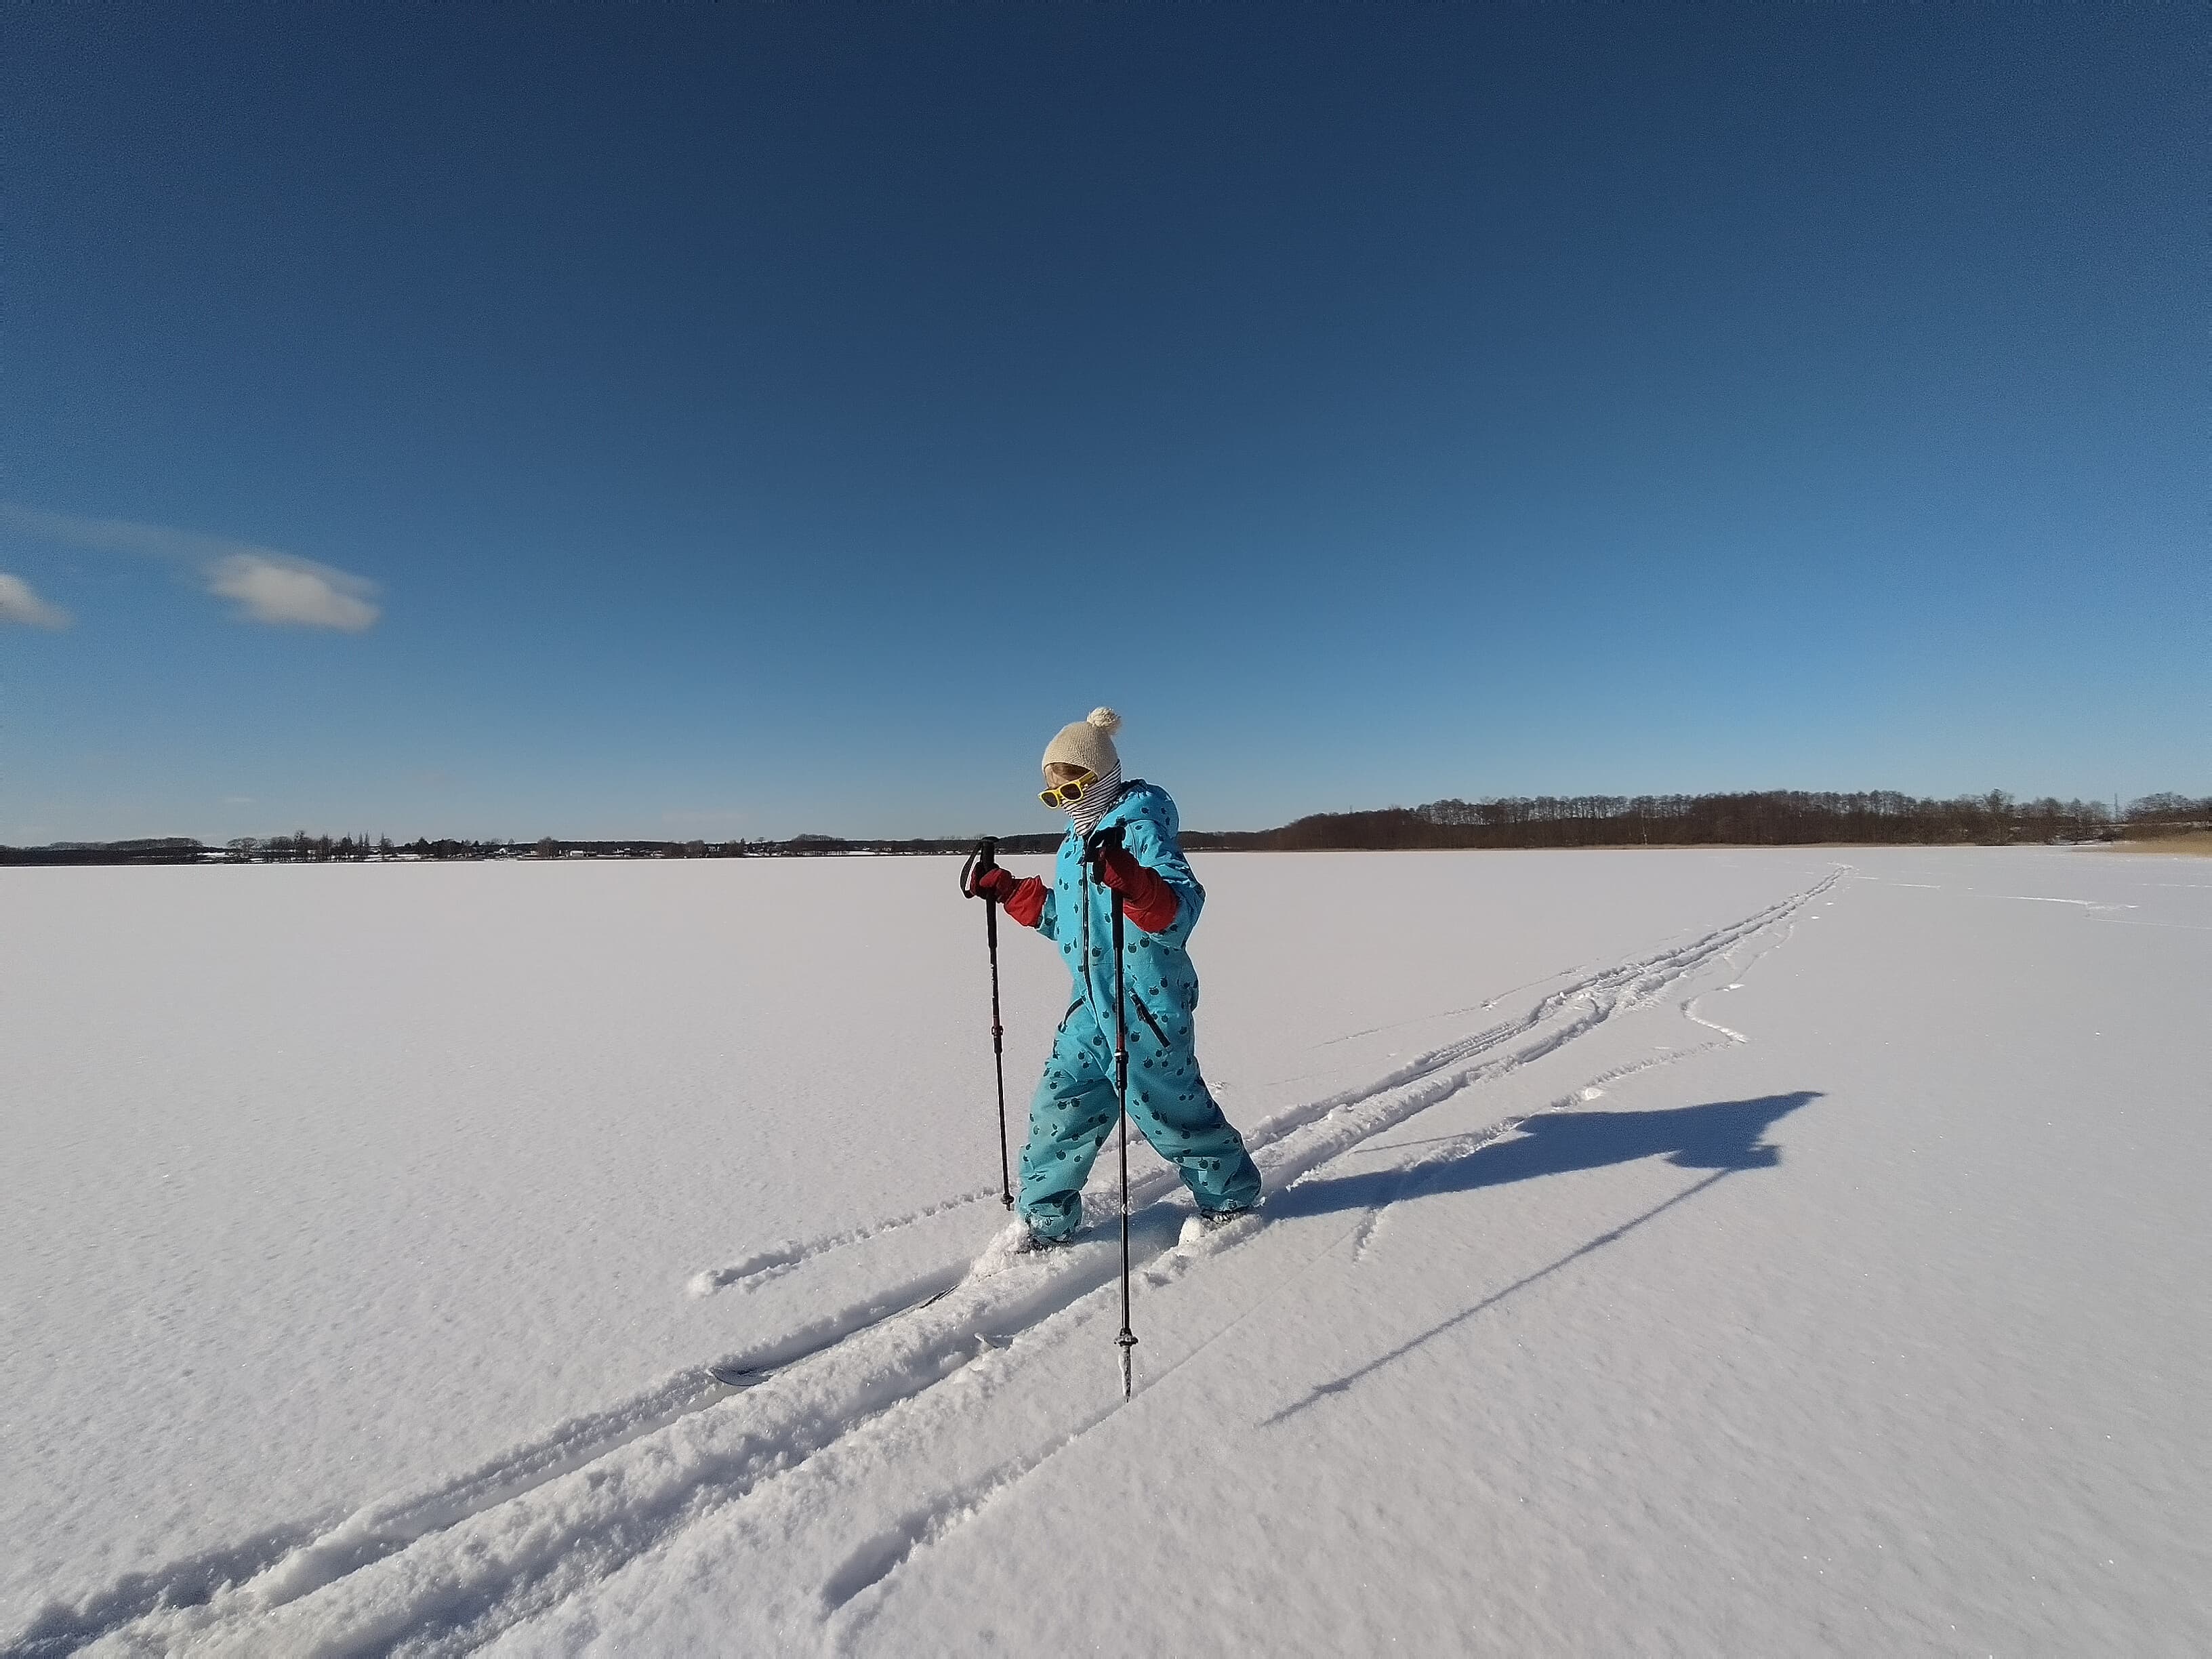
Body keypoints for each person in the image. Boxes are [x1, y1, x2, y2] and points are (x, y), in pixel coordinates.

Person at [969, 707, 1263, 1246]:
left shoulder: (1141, 829)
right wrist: (1013, 892)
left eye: (1074, 787)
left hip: (1146, 1008)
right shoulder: (1073, 846)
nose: (1066, 802)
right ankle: (1044, 1221)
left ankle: (1230, 1200)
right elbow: (1076, 928)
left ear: (1102, 775)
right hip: (1089, 1008)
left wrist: (1136, 883)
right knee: (1060, 1110)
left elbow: (1180, 909)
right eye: (1053, 796)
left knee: (1174, 1118)